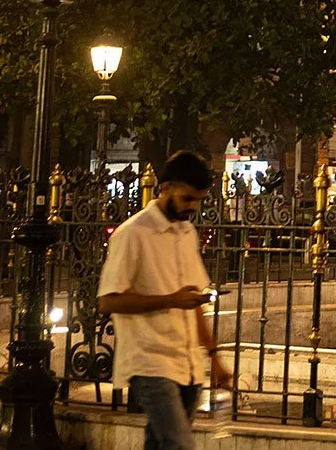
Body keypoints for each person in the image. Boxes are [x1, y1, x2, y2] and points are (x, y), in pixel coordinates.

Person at [97, 150, 233, 450]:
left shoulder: (187, 232)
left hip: (187, 364)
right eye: (187, 198)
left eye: (198, 200)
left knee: (160, 444)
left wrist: (215, 358)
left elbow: (193, 302)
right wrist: (171, 299)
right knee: (179, 444)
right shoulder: (132, 234)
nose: (192, 207)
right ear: (165, 188)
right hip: (149, 361)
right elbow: (108, 301)